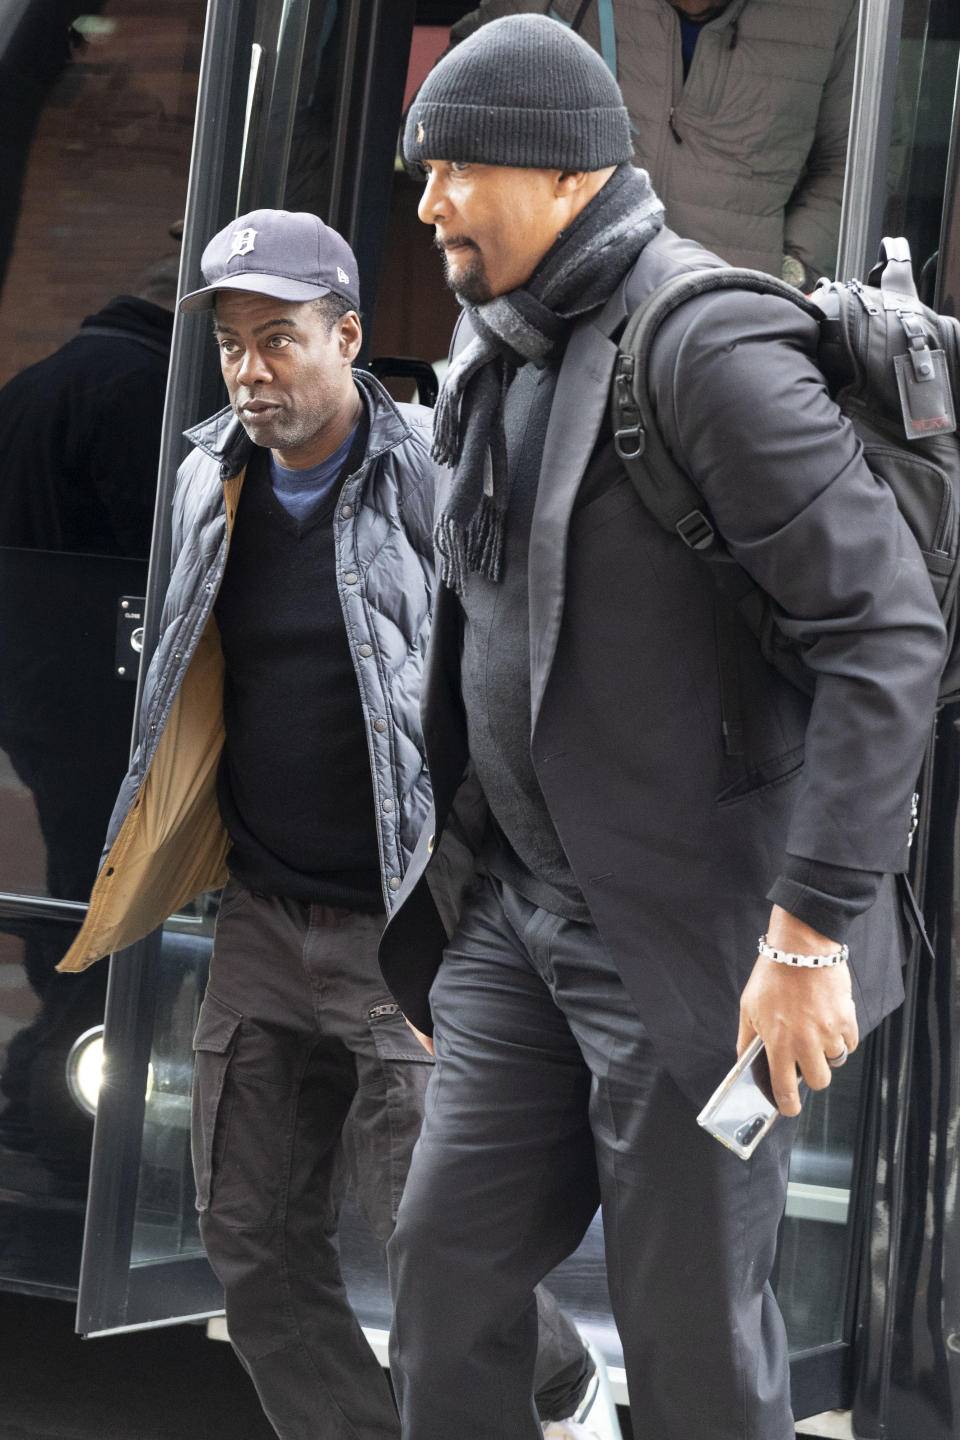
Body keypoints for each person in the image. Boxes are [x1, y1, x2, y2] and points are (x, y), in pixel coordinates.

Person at [377, 16, 947, 1440]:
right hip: (527, 917)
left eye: (457, 169)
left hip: (706, 951)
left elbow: (886, 636)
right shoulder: (505, 343)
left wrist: (809, 934)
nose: (431, 201)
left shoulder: (707, 344)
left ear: (568, 173)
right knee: (443, 1284)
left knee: (691, 1342)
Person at [57, 208, 612, 1440]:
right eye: (234, 347)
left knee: (434, 1244)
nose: (252, 372)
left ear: (346, 335)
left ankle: (561, 1382)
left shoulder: (434, 467)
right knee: (250, 1250)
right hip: (261, 913)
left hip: (406, 924)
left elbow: (513, 678)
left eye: (280, 341)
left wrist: (497, 891)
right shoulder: (208, 476)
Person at [442, 0, 859, 289]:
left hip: (735, 316)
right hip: (565, 304)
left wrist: (792, 272)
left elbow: (853, 161)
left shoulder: (833, 13)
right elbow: (444, 118)